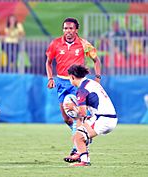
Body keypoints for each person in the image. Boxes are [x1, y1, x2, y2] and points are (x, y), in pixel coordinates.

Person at [45, 17, 101, 162]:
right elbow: (49, 62)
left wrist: (98, 78)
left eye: (71, 28)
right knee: (66, 118)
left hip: (76, 83)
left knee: (78, 115)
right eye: (65, 28)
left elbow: (96, 60)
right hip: (61, 82)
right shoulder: (55, 44)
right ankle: (83, 135)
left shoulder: (83, 44)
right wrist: (50, 78)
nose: (68, 31)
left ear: (76, 29)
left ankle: (78, 148)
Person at [65, 64, 117, 166]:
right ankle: (80, 152)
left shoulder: (82, 89)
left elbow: (82, 112)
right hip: (109, 117)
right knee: (81, 123)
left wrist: (72, 108)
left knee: (77, 137)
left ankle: (84, 160)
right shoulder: (91, 83)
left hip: (103, 119)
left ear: (72, 77)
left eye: (69, 78)